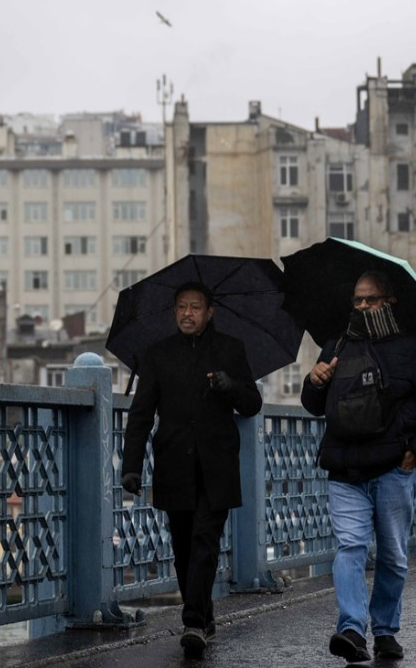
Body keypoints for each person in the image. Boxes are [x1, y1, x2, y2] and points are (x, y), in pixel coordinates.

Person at [301, 271, 416, 663]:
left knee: (392, 555)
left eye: (371, 300)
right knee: (350, 547)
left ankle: (386, 631)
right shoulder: (336, 345)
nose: (362, 307)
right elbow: (314, 404)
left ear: (390, 302)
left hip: (392, 469)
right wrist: (314, 381)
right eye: (357, 300)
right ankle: (352, 629)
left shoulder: (414, 349)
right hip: (345, 469)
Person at [120, 281, 262, 659]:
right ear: (174, 312)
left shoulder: (230, 350)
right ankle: (205, 615)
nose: (187, 313)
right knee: (183, 547)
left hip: (217, 465)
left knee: (204, 540)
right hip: (173, 464)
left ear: (210, 312)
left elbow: (252, 403)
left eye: (195, 307)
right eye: (181, 307)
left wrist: (230, 386)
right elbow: (140, 415)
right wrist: (131, 467)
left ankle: (193, 621)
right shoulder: (158, 355)